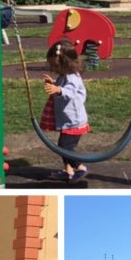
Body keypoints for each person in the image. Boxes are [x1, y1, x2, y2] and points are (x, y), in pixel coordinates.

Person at [42, 38, 90, 182]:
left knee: (64, 147)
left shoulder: (73, 78)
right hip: (67, 120)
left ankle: (80, 167)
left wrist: (58, 89)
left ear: (66, 63)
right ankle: (68, 170)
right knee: (63, 146)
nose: (54, 69)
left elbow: (69, 92)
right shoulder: (64, 76)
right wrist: (54, 84)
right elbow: (63, 87)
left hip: (74, 121)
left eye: (55, 66)